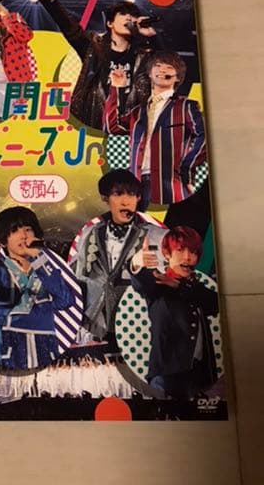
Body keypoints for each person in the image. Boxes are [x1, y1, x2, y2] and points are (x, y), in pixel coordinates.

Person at [32, 0, 162, 130]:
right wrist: (50, 0)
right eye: (122, 14)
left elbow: (167, 67)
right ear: (110, 23)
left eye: (133, 15)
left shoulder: (143, 54)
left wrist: (151, 37)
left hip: (129, 127)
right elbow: (70, 28)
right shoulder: (93, 46)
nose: (129, 17)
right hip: (93, 122)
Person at [0, 206, 78, 370]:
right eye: (14, 231)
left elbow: (66, 301)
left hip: (46, 345)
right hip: (8, 344)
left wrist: (38, 258)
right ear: (3, 240)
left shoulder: (44, 269)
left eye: (28, 229)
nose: (23, 235)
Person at [69, 169, 166, 346]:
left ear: (138, 198)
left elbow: (167, 283)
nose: (125, 201)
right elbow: (78, 276)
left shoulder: (157, 236)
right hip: (96, 324)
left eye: (131, 194)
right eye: (117, 194)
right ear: (105, 198)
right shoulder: (89, 233)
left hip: (138, 323)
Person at [104, 50, 207, 207]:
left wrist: (187, 166)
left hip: (170, 182)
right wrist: (116, 88)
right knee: (139, 223)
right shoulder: (139, 111)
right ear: (150, 74)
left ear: (177, 77)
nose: (162, 70)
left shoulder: (185, 106)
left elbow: (204, 137)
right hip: (137, 185)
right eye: (158, 66)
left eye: (169, 67)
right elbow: (112, 126)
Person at [130, 226, 219, 399]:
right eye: (180, 250)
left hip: (200, 375)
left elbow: (214, 304)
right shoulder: (158, 283)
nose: (187, 257)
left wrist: (179, 285)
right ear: (167, 253)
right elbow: (142, 283)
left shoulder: (195, 287)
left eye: (193, 252)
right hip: (167, 375)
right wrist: (137, 262)